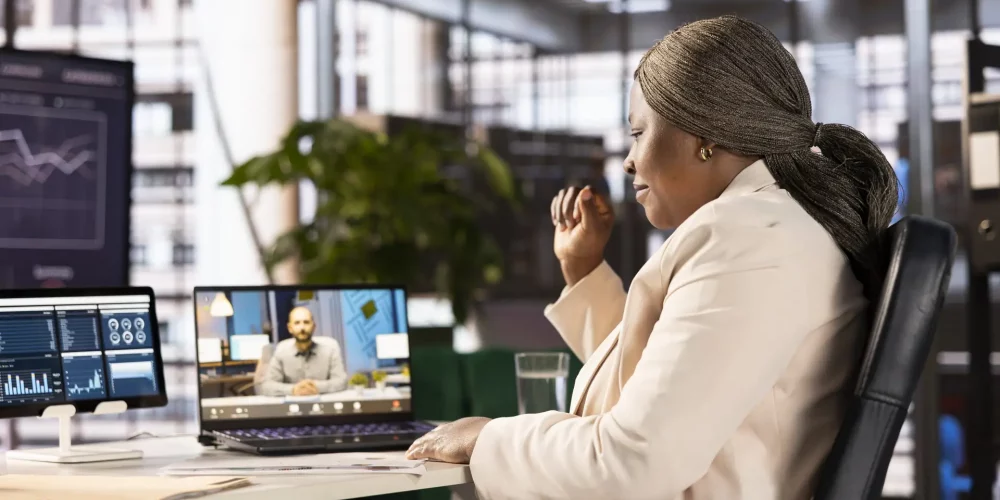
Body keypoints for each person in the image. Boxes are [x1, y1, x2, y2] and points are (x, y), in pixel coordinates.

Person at [406, 15, 899, 500]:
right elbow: (677, 377)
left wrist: (487, 438)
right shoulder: (776, 227)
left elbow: (632, 463)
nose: (627, 160)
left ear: (705, 135)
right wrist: (585, 274)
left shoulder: (745, 240)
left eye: (639, 133)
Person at [261, 306, 348, 396]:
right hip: (291, 406)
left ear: (314, 326)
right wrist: (293, 389)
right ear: (290, 328)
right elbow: (267, 386)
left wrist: (316, 387)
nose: (302, 328)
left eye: (306, 322)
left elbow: (342, 381)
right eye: (297, 323)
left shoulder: (330, 350)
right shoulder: (281, 352)